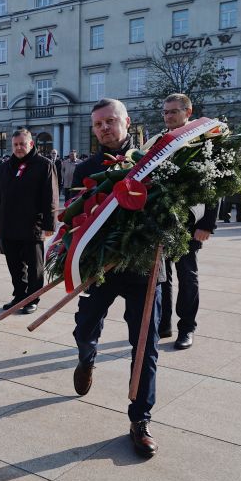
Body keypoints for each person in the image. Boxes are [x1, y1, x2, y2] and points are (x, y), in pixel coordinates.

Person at [71, 98, 163, 457]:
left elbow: (174, 210)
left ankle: (140, 420)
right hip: (103, 265)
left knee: (145, 346)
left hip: (144, 267)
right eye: (98, 124)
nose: (104, 128)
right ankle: (87, 356)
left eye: (110, 121)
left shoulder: (153, 161)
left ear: (127, 121)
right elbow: (76, 220)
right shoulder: (86, 169)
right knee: (84, 326)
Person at [154, 93, 219, 349]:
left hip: (191, 222)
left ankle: (187, 327)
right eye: (166, 112)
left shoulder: (203, 142)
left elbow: (216, 184)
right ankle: (164, 323)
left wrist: (207, 224)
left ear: (188, 112)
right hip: (162, 221)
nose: (169, 116)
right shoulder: (159, 141)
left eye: (174, 111)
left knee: (187, 275)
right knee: (162, 276)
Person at [0, 128, 58, 314]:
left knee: (35, 266)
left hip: (32, 225)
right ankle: (19, 295)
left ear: (31, 144)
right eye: (15, 144)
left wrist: (49, 225)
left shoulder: (44, 165)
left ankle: (32, 298)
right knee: (14, 264)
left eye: (22, 144)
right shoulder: (4, 167)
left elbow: (50, 197)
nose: (19, 148)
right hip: (8, 225)